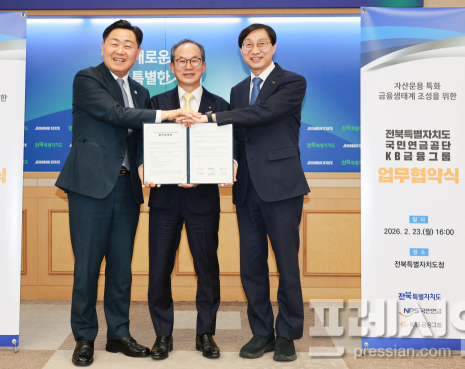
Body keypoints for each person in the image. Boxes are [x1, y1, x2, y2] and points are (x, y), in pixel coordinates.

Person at [55, 20, 198, 367]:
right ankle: (84, 337)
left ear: (138, 53)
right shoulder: (87, 78)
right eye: (115, 43)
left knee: (121, 269)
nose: (120, 50)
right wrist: (168, 114)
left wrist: (153, 166)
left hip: (127, 188)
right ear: (103, 47)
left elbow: (141, 138)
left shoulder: (139, 91)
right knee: (87, 267)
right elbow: (115, 114)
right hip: (90, 186)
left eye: (128, 45)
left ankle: (118, 334)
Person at [177, 24, 310, 362]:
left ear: (273, 47)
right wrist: (226, 163)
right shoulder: (238, 90)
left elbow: (264, 113)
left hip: (282, 186)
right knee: (251, 265)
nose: (255, 50)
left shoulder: (292, 82)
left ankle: (288, 334)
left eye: (261, 44)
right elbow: (236, 136)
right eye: (248, 45)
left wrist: (211, 118)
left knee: (286, 264)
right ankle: (262, 332)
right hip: (246, 188)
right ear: (241, 51)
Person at [146, 40, 231, 360]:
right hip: (164, 199)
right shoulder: (157, 103)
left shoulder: (220, 104)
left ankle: (205, 333)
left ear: (204, 66)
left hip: (203, 199)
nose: (188, 66)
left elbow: (231, 145)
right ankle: (162, 335)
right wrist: (145, 167)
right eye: (181, 61)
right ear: (172, 67)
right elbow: (141, 142)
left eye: (195, 60)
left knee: (207, 268)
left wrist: (225, 167)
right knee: (159, 269)